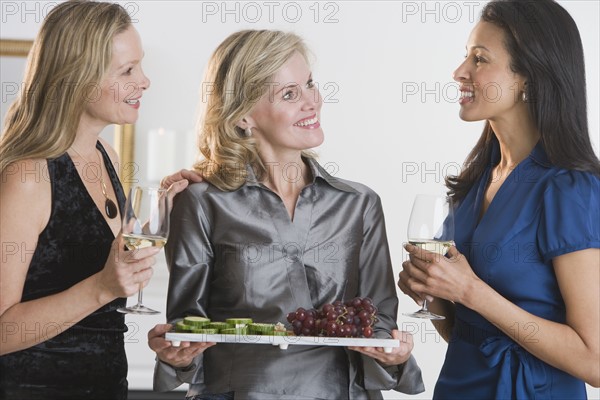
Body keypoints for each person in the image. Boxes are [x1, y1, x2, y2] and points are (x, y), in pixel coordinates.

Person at [148, 29, 425, 399]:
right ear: (244, 115)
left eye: (310, 84)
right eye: (290, 94)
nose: (312, 102)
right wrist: (177, 357)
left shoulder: (359, 203)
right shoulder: (203, 202)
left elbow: (378, 323)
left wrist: (394, 355)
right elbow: (188, 327)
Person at [398, 0, 600, 398]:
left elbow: (594, 362)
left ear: (528, 76)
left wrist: (471, 290)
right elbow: (467, 333)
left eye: (480, 59)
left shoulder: (569, 189)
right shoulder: (475, 184)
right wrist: (435, 294)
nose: (460, 72)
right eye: (465, 57)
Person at [0, 1, 188, 398]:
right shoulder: (28, 175)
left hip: (106, 385)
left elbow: (95, 253)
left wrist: (167, 205)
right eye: (127, 70)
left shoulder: (107, 156)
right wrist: (102, 288)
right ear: (78, 78)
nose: (145, 81)